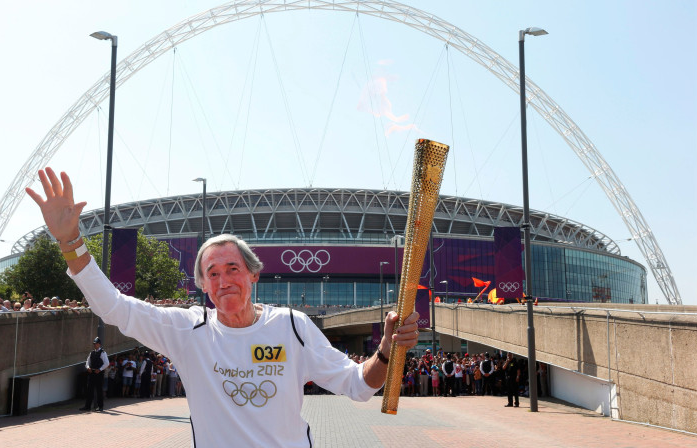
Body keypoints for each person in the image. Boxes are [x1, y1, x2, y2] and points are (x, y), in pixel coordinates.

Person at [25, 167, 421, 447]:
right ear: (203, 286)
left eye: (233, 268)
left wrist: (386, 350)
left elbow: (359, 385)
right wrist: (72, 242)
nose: (223, 279)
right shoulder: (187, 331)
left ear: (253, 275)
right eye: (212, 273)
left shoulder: (293, 327)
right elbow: (113, 306)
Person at [80, 336, 109, 412]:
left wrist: (100, 369)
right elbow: (87, 362)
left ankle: (100, 406)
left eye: (96, 344)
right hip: (92, 373)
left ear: (99, 344)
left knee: (99, 390)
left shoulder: (103, 352)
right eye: (94, 344)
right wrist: (88, 367)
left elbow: (107, 363)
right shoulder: (92, 353)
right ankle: (87, 406)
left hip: (99, 374)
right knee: (89, 390)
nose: (95, 345)